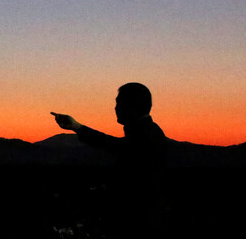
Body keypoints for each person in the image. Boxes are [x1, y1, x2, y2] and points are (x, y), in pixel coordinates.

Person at [51, 82, 168, 238]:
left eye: (119, 102)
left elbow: (115, 146)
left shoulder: (147, 136)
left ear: (133, 105)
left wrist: (78, 127)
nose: (115, 108)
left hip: (140, 225)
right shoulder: (148, 132)